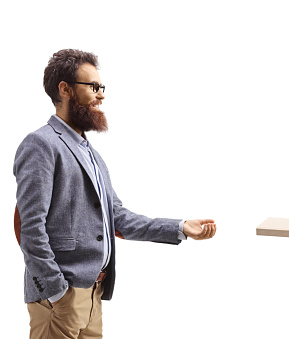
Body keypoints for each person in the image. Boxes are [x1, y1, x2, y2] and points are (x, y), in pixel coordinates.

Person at [13, 49, 217, 339]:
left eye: (101, 87)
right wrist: (57, 292)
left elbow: (117, 217)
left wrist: (180, 227)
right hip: (61, 298)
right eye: (93, 87)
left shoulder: (92, 155)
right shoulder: (41, 144)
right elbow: (30, 229)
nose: (101, 95)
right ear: (65, 89)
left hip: (94, 294)